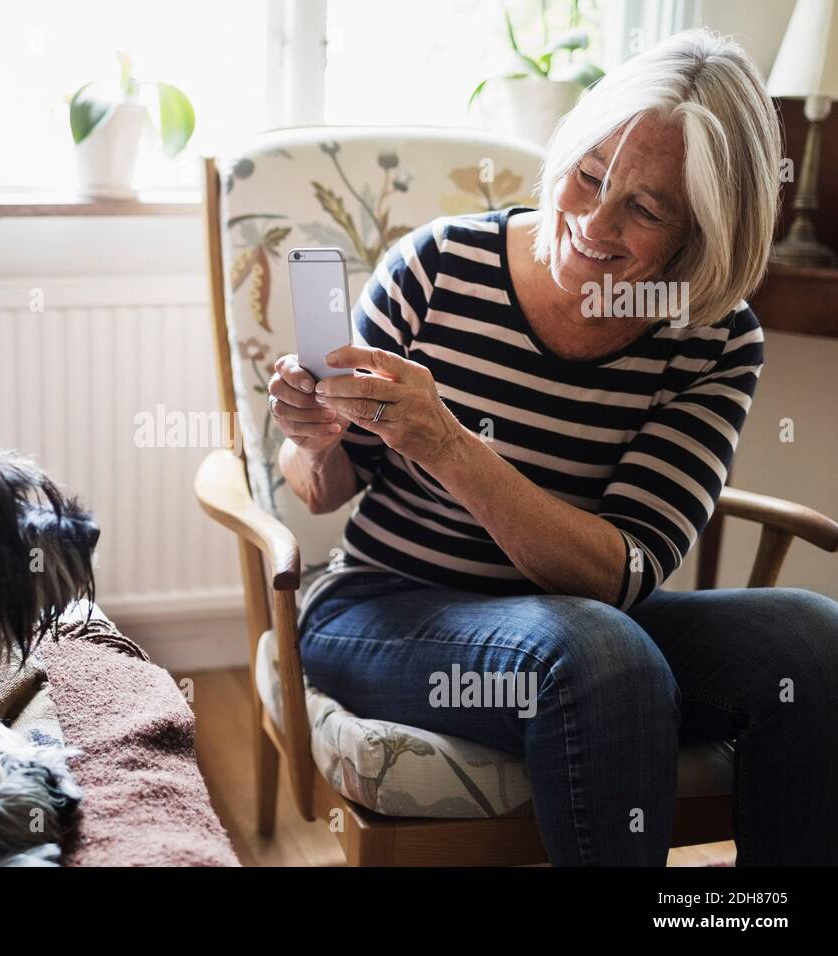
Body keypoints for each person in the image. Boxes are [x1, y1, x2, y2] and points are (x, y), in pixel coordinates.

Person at [270, 28, 838, 865]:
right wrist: (314, 438)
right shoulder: (437, 267)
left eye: (644, 209)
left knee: (812, 640)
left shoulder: (714, 342)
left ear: (707, 233)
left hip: (597, 621)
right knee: (600, 656)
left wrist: (452, 446)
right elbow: (320, 490)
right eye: (588, 176)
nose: (592, 225)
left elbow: (621, 573)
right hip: (386, 609)